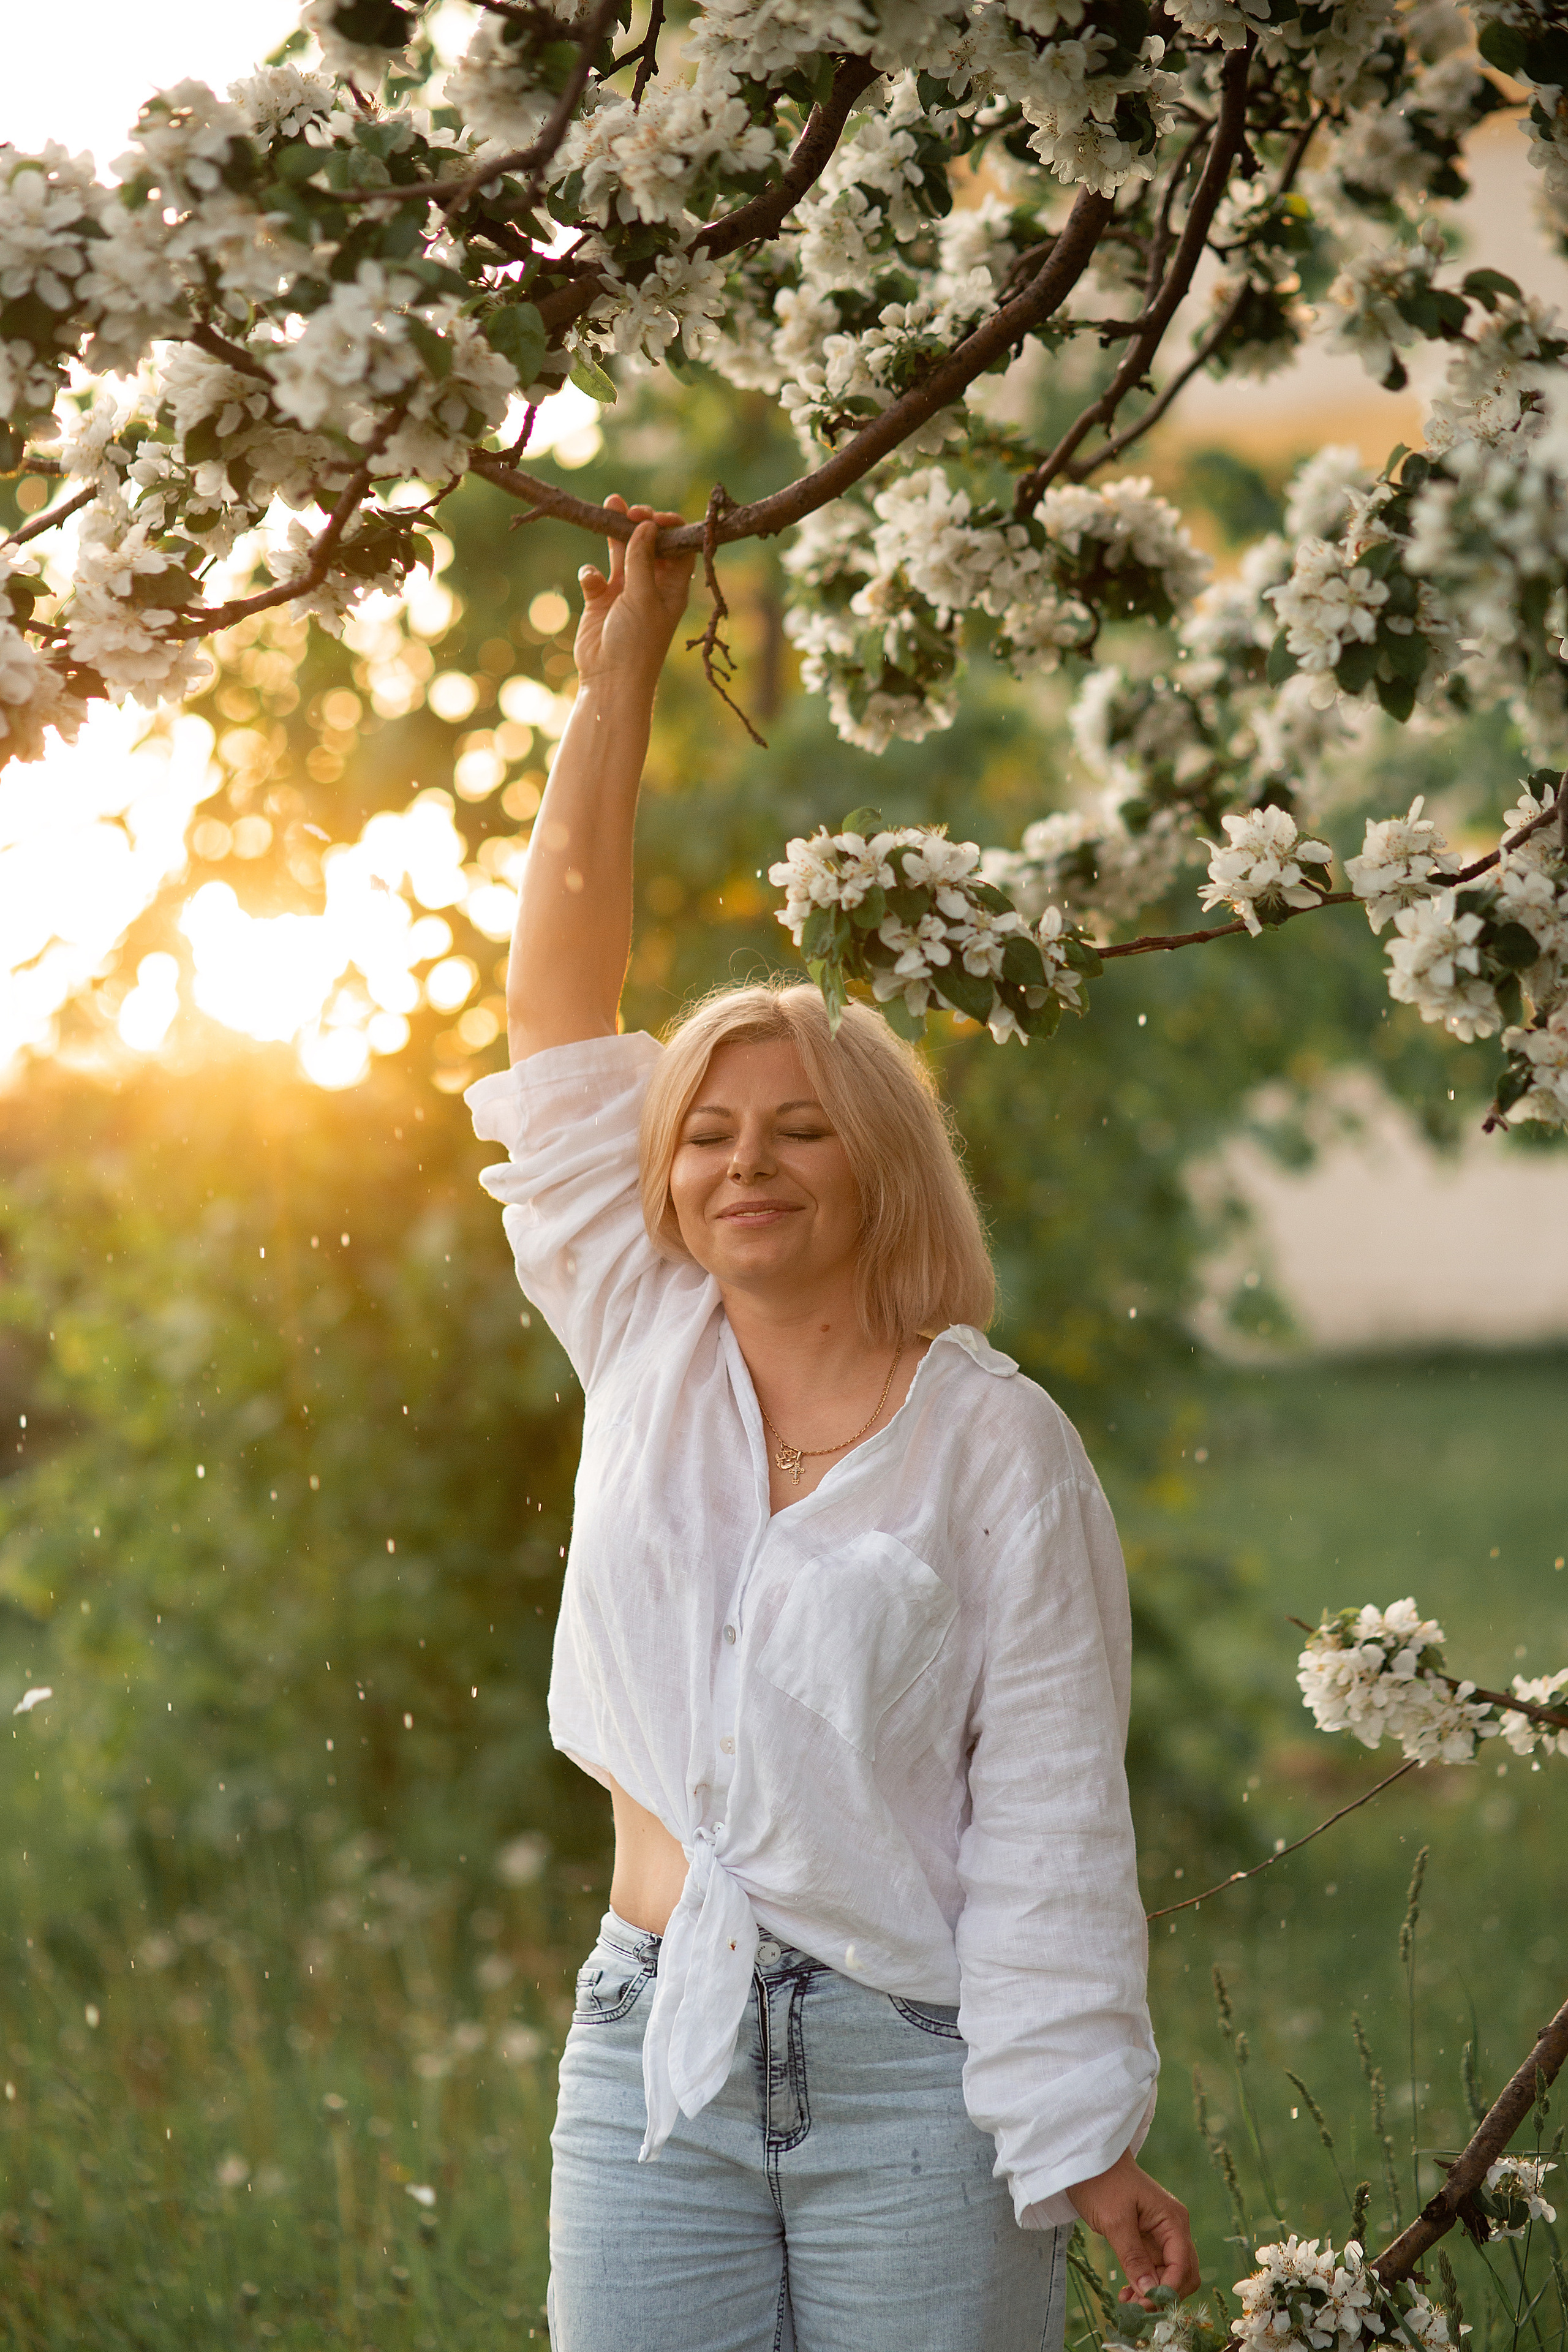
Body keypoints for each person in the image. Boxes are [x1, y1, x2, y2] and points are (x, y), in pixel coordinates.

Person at [466, 496, 1200, 2352]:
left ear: (881, 1166)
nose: (744, 1164)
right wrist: (618, 683)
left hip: (916, 2087)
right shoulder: (638, 1330)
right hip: (650, 2059)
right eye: (708, 1133)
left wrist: (1077, 2126)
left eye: (798, 1131)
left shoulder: (997, 1450)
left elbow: (1046, 1814)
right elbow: (558, 1002)